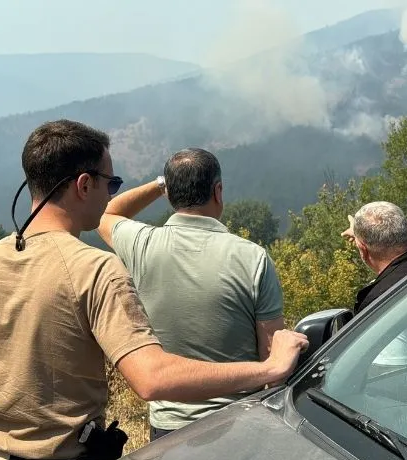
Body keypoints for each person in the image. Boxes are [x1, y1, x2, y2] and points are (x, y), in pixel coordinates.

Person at [0, 120, 308, 460]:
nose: (111, 194)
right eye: (110, 185)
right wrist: (270, 368)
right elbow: (151, 380)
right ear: (83, 186)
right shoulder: (95, 270)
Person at [95, 147, 286, 442]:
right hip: (239, 421)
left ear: (170, 196)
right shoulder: (253, 258)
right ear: (218, 191)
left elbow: (107, 212)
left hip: (169, 428)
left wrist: (160, 185)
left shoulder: (142, 244)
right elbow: (272, 360)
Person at [340, 201, 407, 371]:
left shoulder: (382, 302)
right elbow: (389, 228)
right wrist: (359, 234)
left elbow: (389, 374)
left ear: (362, 249)